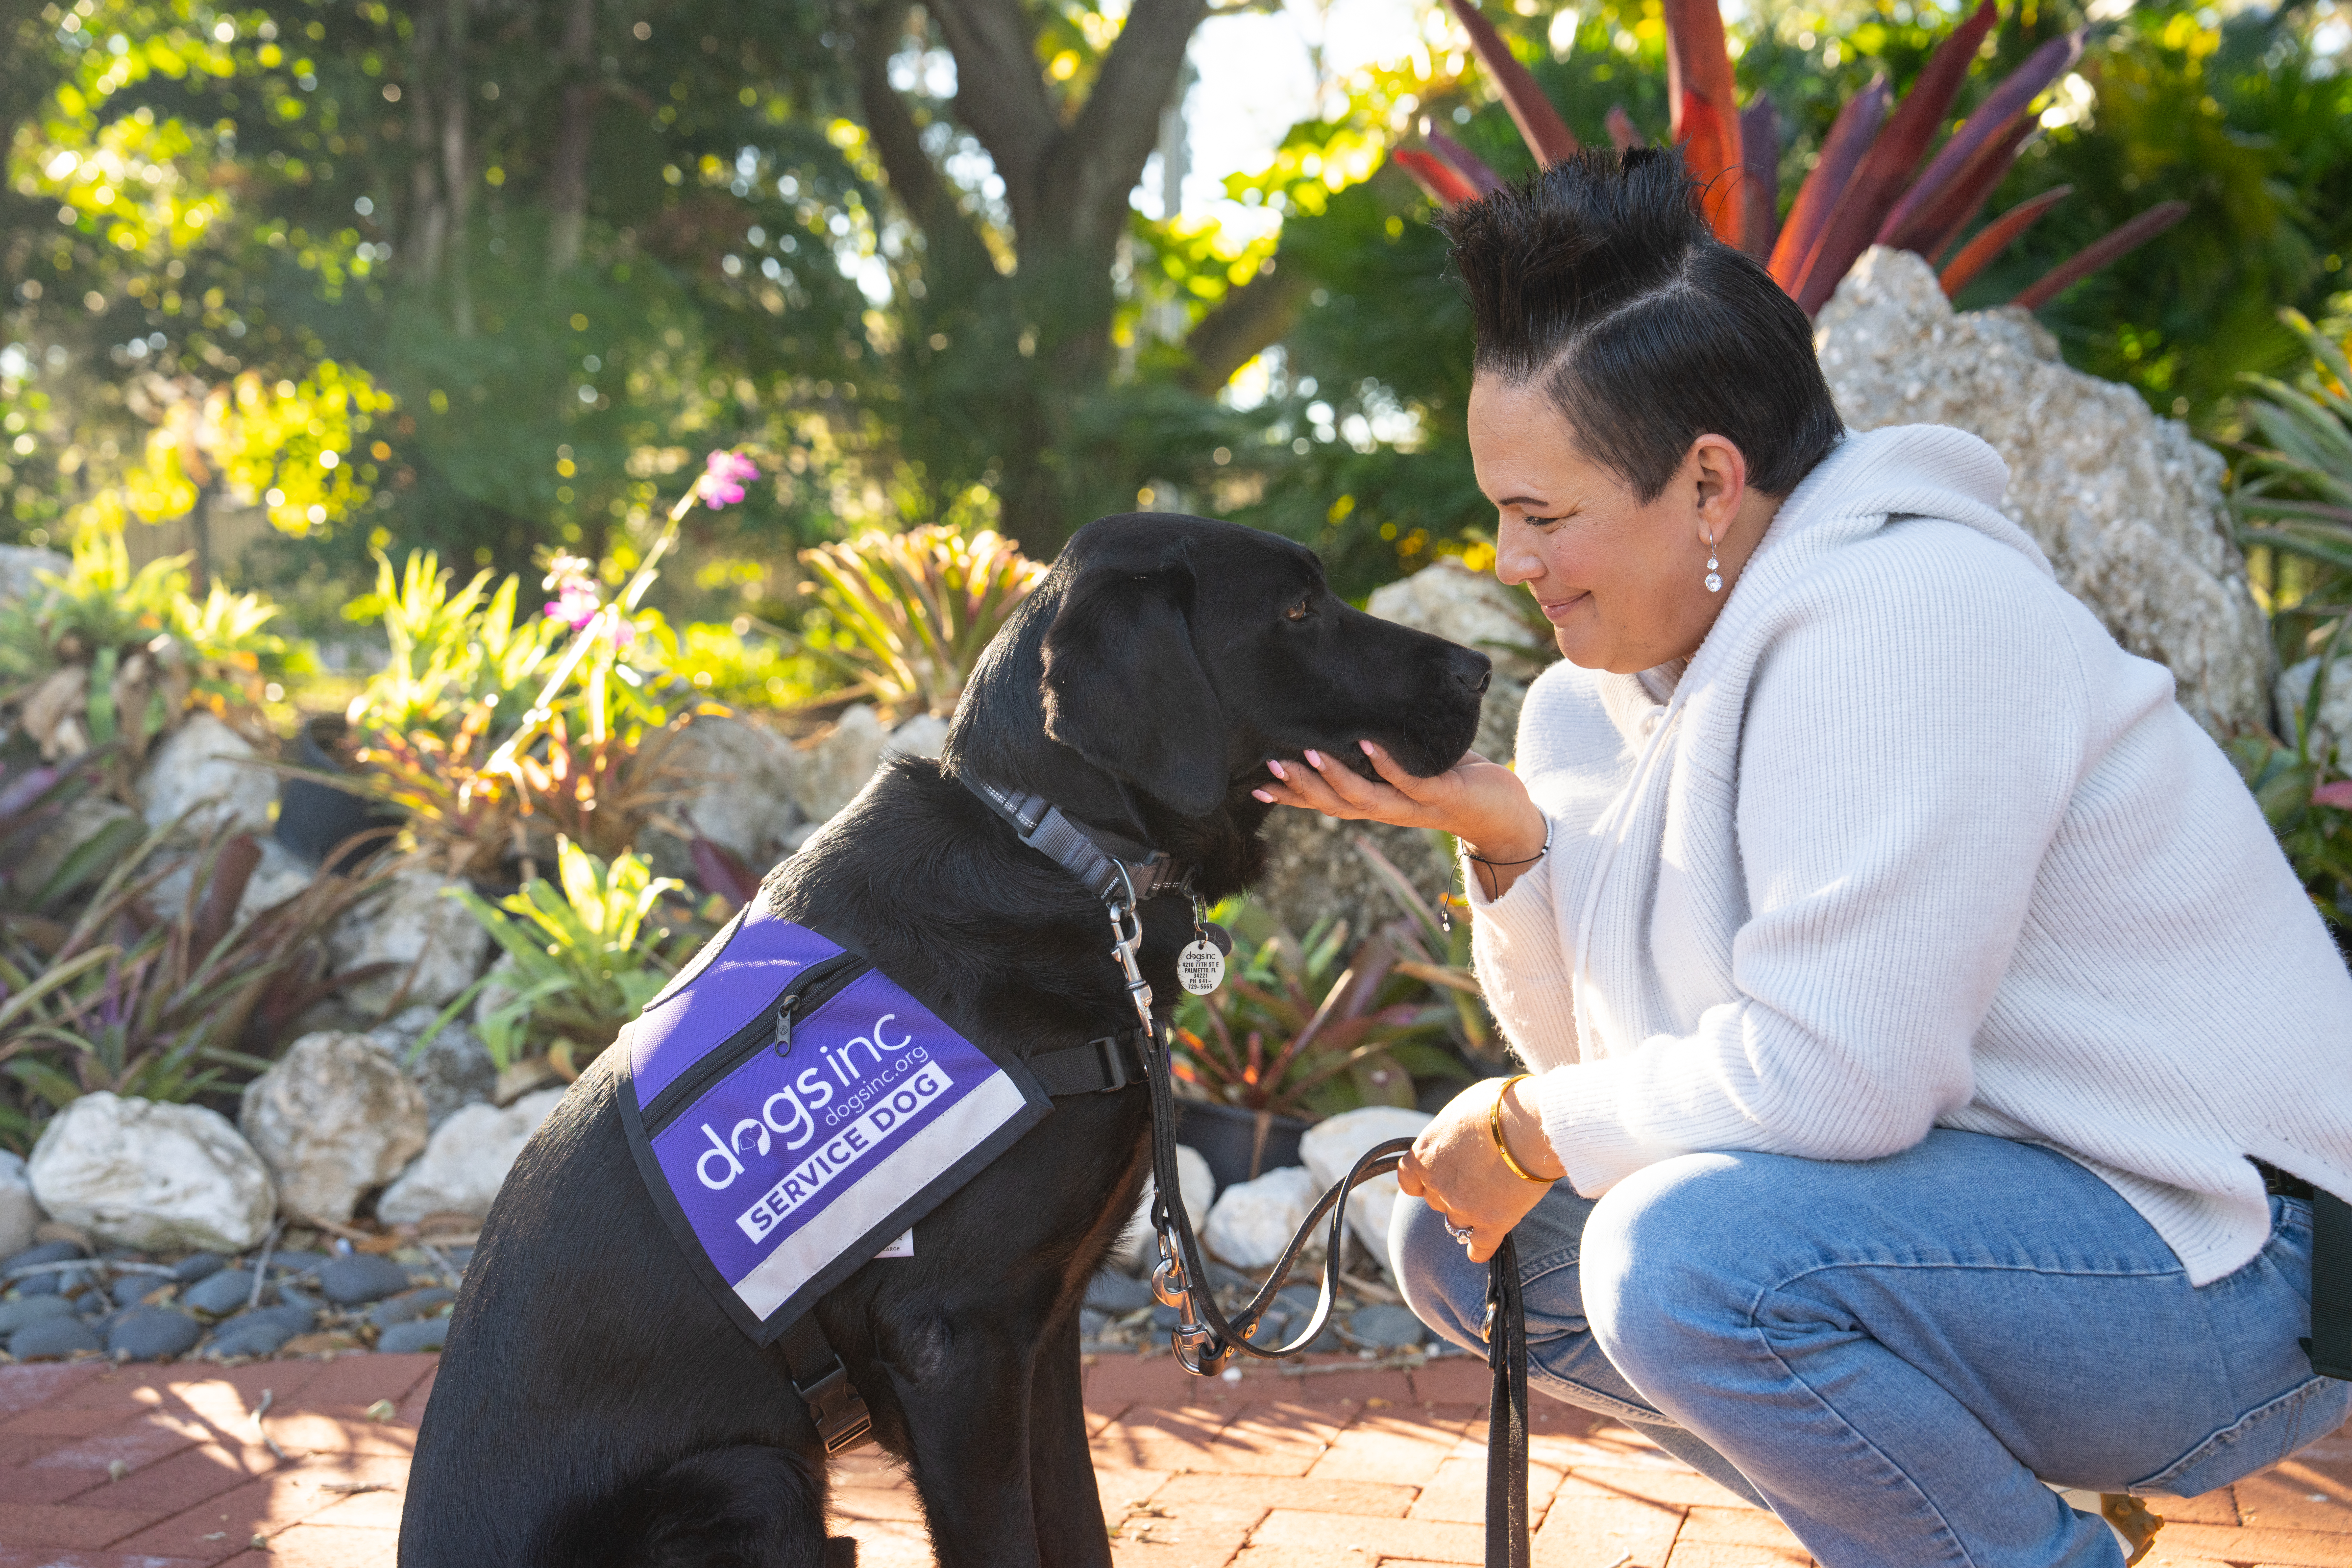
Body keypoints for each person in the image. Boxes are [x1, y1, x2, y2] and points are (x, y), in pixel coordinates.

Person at [1252, 147, 2352, 1568]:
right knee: (1471, 1245)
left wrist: (1529, 1124)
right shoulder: (1602, 702)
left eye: (1545, 515)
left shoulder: (1910, 614)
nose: (1513, 561)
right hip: (1995, 1214)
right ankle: (1962, 1528)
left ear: (1710, 482)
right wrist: (1519, 850)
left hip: (2243, 1267)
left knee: (1685, 1263)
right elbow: (1630, 1067)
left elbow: (1836, 1082)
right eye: (1500, 511)